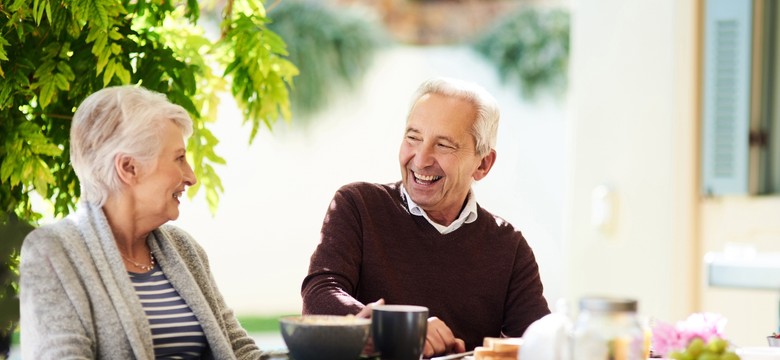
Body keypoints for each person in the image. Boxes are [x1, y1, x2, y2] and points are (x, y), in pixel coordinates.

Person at [301, 77, 551, 357]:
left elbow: (539, 343)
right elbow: (319, 296)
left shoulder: (510, 247)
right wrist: (395, 329)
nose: (421, 159)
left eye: (443, 145)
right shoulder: (358, 205)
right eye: (413, 137)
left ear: (483, 164)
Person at [20, 86, 265, 359]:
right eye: (179, 158)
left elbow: (238, 349)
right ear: (128, 168)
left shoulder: (185, 249)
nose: (191, 177)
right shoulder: (51, 252)